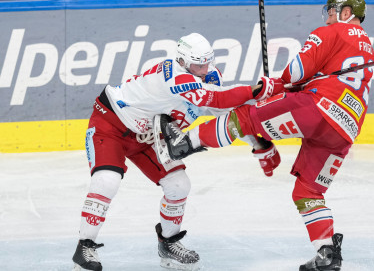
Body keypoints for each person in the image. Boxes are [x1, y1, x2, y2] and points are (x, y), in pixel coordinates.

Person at [157, 0, 374, 271]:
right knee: (307, 191)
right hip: (346, 128)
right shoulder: (367, 45)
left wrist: (281, 84)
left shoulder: (331, 32)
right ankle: (327, 252)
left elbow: (295, 72)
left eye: (333, 11)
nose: (329, 16)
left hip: (318, 108)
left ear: (346, 13)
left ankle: (184, 144)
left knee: (245, 117)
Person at [72, 32, 279, 271]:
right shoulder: (172, 75)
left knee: (179, 184)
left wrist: (258, 144)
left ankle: (168, 242)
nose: (203, 70)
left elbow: (227, 114)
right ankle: (84, 245)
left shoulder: (207, 78)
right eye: (197, 64)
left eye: (207, 63)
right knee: (107, 180)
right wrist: (257, 90)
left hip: (149, 138)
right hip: (111, 125)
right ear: (182, 61)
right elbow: (217, 98)